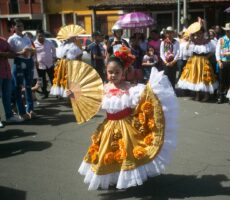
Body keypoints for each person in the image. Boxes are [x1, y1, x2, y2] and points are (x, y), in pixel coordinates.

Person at [66, 46, 178, 190]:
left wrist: (152, 90)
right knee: (109, 152)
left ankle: (125, 179)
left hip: (128, 126)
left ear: (123, 72)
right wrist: (74, 96)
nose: (113, 75)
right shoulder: (103, 88)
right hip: (108, 126)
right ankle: (115, 177)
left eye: (117, 72)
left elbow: (143, 98)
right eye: (110, 72)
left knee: (127, 154)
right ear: (106, 71)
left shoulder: (130, 88)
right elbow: (91, 101)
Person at [177, 21, 218, 101]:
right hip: (195, 61)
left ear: (203, 33)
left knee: (205, 78)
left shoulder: (207, 42)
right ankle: (197, 95)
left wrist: (206, 57)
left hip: (203, 61)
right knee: (195, 77)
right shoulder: (192, 41)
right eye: (197, 33)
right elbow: (187, 50)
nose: (198, 35)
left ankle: (206, 95)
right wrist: (190, 40)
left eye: (200, 33)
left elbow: (213, 51)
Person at [8, 19, 36, 120]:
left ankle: (30, 110)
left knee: (28, 87)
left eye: (22, 26)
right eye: (18, 26)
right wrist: (21, 52)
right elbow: (9, 54)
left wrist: (31, 51)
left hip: (28, 62)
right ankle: (21, 112)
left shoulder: (27, 37)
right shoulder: (11, 39)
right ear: (14, 27)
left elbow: (33, 49)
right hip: (18, 62)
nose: (20, 28)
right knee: (18, 88)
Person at [0, 36, 24, 127]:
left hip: (6, 72)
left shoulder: (3, 40)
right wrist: (6, 54)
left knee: (7, 96)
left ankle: (9, 116)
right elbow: (8, 53)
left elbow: (13, 54)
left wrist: (3, 54)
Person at [34, 29, 56, 99]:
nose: (41, 37)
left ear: (44, 36)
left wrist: (54, 57)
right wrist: (35, 61)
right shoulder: (34, 44)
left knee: (53, 78)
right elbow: (33, 54)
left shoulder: (49, 42)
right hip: (40, 65)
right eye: (39, 36)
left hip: (50, 64)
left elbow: (54, 49)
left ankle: (56, 93)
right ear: (36, 36)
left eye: (42, 36)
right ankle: (44, 93)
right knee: (42, 80)